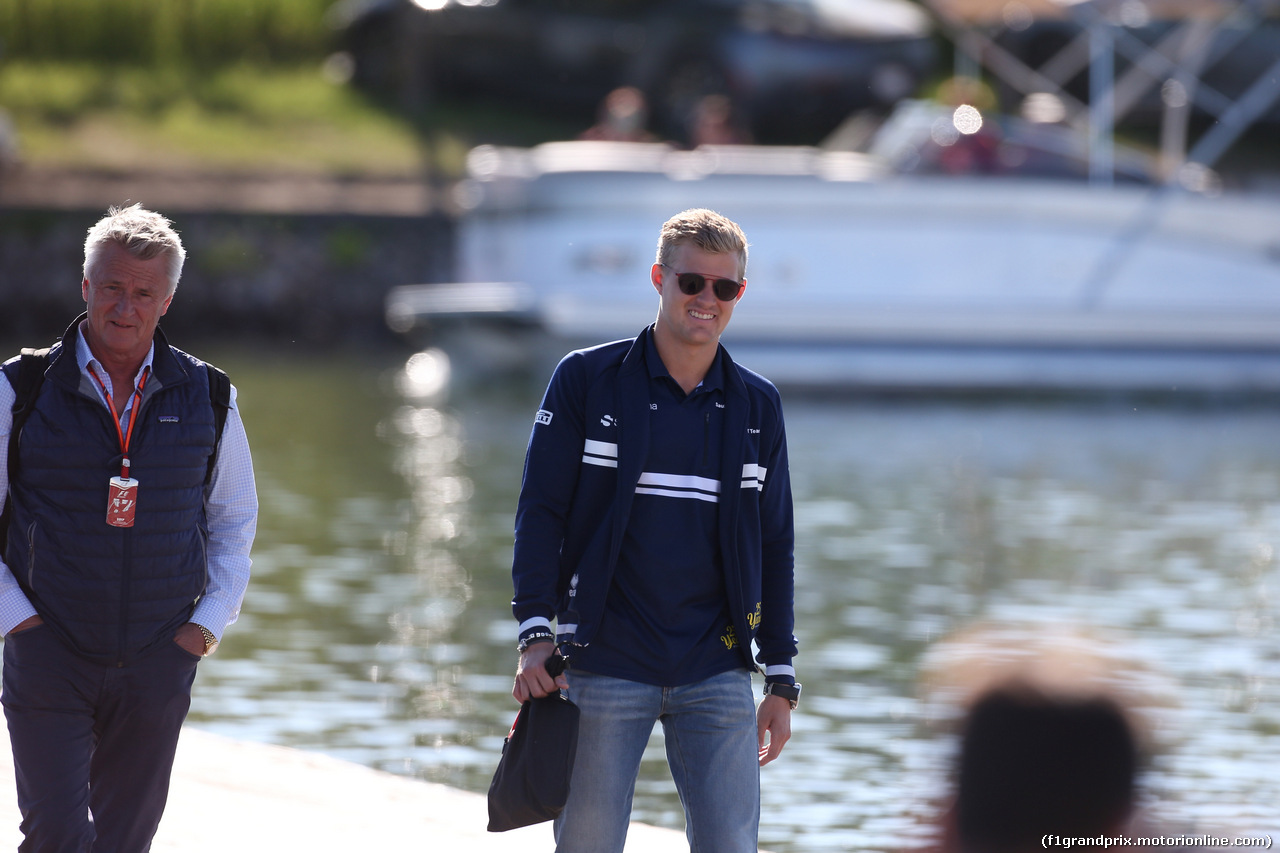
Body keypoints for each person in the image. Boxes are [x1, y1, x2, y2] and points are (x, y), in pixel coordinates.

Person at [509, 208, 798, 853]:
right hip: (602, 663)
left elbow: (775, 542)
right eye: (692, 282)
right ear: (658, 279)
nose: (707, 300)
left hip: (717, 669)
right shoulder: (585, 379)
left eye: (725, 289)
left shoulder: (758, 405)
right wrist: (534, 636)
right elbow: (541, 513)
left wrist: (780, 677)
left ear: (739, 295)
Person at [0, 204, 258, 852]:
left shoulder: (212, 395)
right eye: (111, 287)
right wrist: (17, 622)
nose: (124, 306)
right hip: (47, 652)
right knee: (57, 832)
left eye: (143, 292)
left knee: (123, 842)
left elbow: (233, 519)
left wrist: (203, 627)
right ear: (86, 285)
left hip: (157, 660)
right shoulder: (18, 388)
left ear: (166, 300)